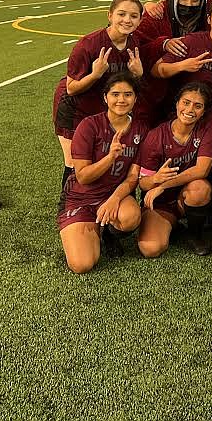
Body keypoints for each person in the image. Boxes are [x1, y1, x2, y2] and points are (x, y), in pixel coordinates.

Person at [57, 72, 148, 273]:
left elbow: (133, 176)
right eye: (115, 94)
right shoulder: (89, 126)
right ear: (105, 97)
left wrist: (114, 199)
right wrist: (110, 157)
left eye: (128, 94)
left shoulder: (141, 129)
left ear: (135, 98)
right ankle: (92, 229)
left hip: (114, 194)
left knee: (131, 217)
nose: (121, 100)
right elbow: (82, 176)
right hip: (81, 197)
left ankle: (108, 232)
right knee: (82, 265)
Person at [52, 0, 147, 188]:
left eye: (134, 16)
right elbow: (71, 88)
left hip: (101, 108)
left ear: (139, 20)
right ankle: (68, 208)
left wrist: (139, 74)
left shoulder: (134, 42)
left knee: (100, 159)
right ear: (110, 15)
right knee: (74, 163)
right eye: (121, 14)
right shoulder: (89, 44)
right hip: (75, 108)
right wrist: (95, 75)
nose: (127, 20)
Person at [136, 82, 212, 258]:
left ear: (203, 111)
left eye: (198, 106)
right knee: (150, 249)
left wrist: (163, 184)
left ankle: (194, 234)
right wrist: (156, 180)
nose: (190, 109)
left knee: (200, 188)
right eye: (186, 102)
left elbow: (202, 170)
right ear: (177, 104)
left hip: (186, 195)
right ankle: (173, 225)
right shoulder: (155, 136)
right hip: (160, 202)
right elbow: (143, 184)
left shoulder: (206, 129)